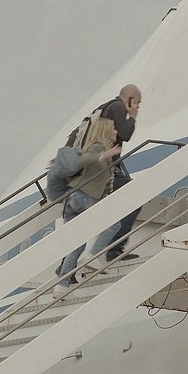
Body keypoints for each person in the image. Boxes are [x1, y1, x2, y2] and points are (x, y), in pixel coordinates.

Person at [67, 84, 142, 261]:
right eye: (137, 103)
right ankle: (113, 249)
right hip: (106, 167)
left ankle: (66, 266)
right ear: (130, 99)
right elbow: (125, 134)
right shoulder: (117, 107)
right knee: (136, 196)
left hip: (97, 168)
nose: (137, 107)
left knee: (88, 220)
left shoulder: (102, 109)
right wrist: (132, 117)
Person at [54, 118, 122, 298]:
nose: (116, 131)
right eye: (113, 128)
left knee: (77, 244)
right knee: (113, 224)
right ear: (105, 130)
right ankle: (93, 256)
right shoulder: (97, 146)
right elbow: (84, 160)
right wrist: (103, 156)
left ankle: (62, 286)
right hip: (83, 197)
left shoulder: (103, 151)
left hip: (73, 200)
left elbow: (105, 183)